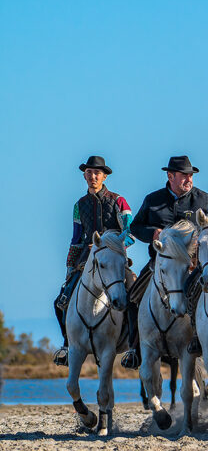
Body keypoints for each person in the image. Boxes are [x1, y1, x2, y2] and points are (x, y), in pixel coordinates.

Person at [126, 155, 208, 367]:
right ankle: (134, 348)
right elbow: (135, 227)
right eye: (184, 176)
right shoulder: (153, 200)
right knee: (133, 297)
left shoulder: (205, 200)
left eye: (190, 176)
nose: (188, 180)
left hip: (193, 267)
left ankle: (205, 342)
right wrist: (153, 233)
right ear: (170, 176)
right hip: (159, 265)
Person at [53, 156, 135, 366]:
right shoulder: (79, 206)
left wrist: (109, 246)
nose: (93, 176)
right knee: (61, 301)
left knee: (135, 295)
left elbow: (130, 233)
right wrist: (70, 267)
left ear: (104, 176)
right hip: (85, 262)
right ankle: (67, 345)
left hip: (115, 261)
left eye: (97, 173)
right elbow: (76, 238)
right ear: (84, 175)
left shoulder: (118, 200)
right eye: (89, 172)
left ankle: (134, 347)